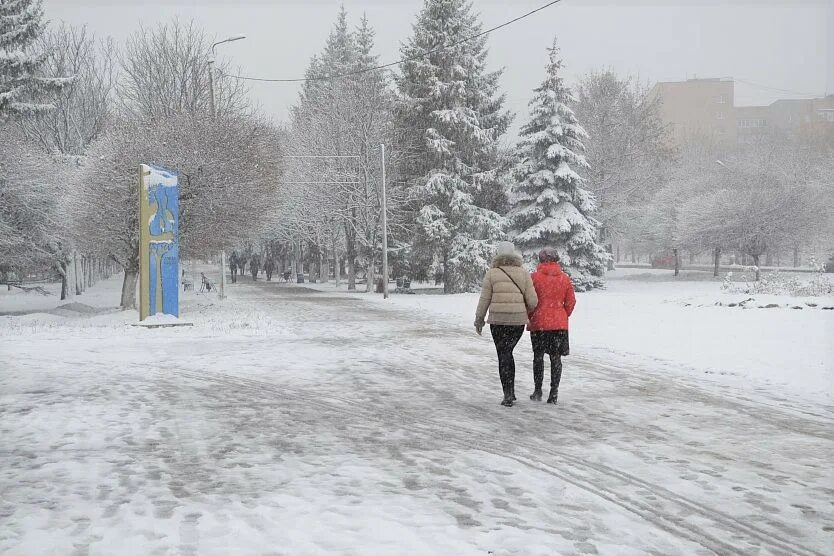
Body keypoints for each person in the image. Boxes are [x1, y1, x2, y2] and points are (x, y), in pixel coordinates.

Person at [475, 241, 538, 407]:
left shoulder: (492, 273)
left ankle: (508, 393)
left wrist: (479, 319)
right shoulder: (524, 273)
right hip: (517, 322)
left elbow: (484, 299)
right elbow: (533, 301)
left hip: (498, 321)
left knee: (503, 354)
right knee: (507, 352)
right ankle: (510, 392)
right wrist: (523, 308)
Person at [527, 248, 576, 404]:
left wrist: (531, 315)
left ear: (541, 260)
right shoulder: (565, 278)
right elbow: (571, 302)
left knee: (538, 357)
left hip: (539, 322)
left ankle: (538, 390)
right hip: (559, 325)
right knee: (556, 359)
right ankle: (554, 393)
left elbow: (529, 300)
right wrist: (562, 315)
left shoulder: (533, 278)